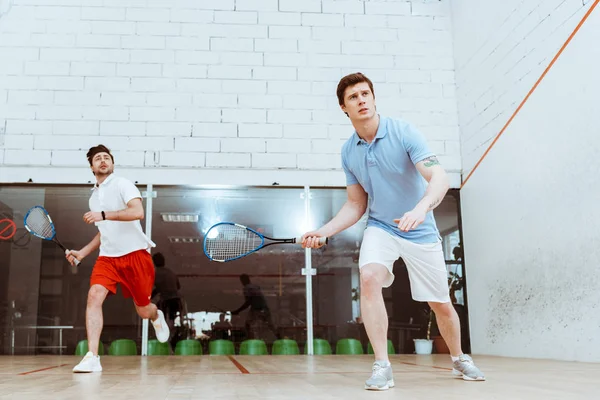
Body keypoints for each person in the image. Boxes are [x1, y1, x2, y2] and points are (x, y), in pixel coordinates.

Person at [302, 73, 485, 390]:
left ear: (373, 98)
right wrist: (323, 230)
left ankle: (458, 358)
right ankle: (382, 366)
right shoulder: (349, 152)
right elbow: (356, 204)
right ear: (344, 108)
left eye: (365, 94)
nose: (361, 100)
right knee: (370, 278)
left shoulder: (403, 132)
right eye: (353, 97)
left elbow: (439, 178)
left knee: (440, 303)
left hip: (420, 228)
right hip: (381, 227)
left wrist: (420, 208)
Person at [66, 144, 169, 373]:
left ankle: (155, 314)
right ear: (92, 167)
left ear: (112, 163)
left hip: (135, 255)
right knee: (94, 295)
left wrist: (104, 214)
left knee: (143, 310)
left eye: (107, 157)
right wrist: (83, 252)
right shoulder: (94, 199)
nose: (103, 160)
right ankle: (92, 356)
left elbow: (137, 212)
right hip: (108, 258)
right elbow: (104, 231)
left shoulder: (123, 184)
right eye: (98, 159)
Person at [231, 274, 279, 339]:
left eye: (241, 281)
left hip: (256, 309)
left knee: (248, 325)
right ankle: (280, 338)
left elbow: (248, 302)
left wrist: (237, 311)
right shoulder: (256, 286)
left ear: (242, 281)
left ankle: (250, 340)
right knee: (271, 326)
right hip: (264, 308)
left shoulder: (246, 288)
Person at [151, 252, 182, 350]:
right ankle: (169, 338)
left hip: (167, 301)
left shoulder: (156, 273)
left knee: (161, 319)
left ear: (154, 262)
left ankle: (166, 338)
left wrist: (150, 297)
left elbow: (157, 288)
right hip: (175, 300)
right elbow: (178, 286)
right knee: (171, 321)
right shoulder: (171, 272)